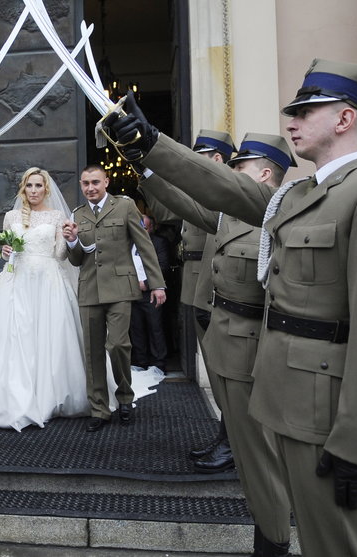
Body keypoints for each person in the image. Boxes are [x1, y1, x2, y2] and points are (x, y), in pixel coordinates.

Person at [106, 60, 357, 556]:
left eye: (304, 110)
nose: (290, 120)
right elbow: (222, 190)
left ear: (344, 119)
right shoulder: (299, 193)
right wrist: (148, 143)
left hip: (329, 408)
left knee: (339, 544)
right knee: (309, 528)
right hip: (285, 397)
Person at [140, 133, 296, 556]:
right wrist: (145, 166)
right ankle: (266, 531)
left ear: (265, 173)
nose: (230, 173)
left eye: (240, 166)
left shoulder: (279, 213)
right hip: (228, 336)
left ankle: (273, 540)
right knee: (250, 460)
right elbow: (192, 200)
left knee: (263, 459)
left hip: (255, 351)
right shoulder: (231, 213)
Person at [0, 167, 89, 431]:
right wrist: (6, 251)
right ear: (23, 188)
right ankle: (13, 394)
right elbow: (9, 253)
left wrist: (68, 238)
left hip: (48, 282)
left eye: (38, 186)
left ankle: (49, 395)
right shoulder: (11, 216)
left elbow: (61, 257)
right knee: (16, 337)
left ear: (46, 189)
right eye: (29, 186)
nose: (33, 191)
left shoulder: (56, 216)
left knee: (47, 336)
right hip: (17, 282)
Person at [142, 131, 237, 474]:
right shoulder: (200, 190)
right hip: (194, 281)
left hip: (213, 283)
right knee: (216, 369)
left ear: (217, 159)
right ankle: (227, 436)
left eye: (201, 155)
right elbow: (167, 209)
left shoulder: (228, 191)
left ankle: (233, 442)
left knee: (227, 373)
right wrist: (146, 167)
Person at [61, 164, 166, 433]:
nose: (90, 188)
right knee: (92, 352)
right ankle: (99, 408)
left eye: (95, 182)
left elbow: (144, 246)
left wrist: (157, 284)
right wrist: (72, 241)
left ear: (106, 181)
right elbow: (76, 261)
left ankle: (125, 398)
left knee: (118, 345)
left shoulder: (125, 207)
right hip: (89, 289)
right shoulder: (77, 214)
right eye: (85, 183)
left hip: (120, 288)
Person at [129, 214, 170, 375]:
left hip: (152, 291)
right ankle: (140, 361)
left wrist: (146, 284)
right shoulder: (129, 242)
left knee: (155, 327)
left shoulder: (159, 242)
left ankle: (159, 363)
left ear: (151, 228)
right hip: (132, 292)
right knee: (136, 327)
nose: (141, 230)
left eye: (144, 227)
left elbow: (163, 266)